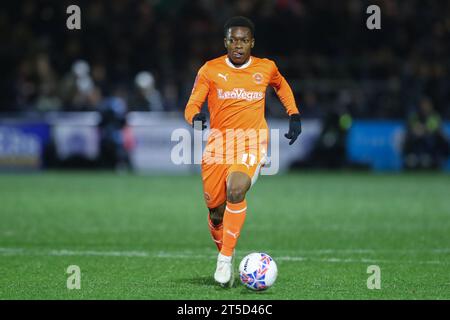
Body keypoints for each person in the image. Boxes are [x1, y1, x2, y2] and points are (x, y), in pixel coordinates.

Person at [184, 16, 302, 287]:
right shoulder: (210, 70)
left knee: (236, 189)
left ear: (252, 43)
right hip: (218, 146)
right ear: (225, 42)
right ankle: (226, 248)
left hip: (252, 141)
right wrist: (196, 118)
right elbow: (192, 105)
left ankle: (224, 260)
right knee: (216, 212)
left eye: (244, 40)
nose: (238, 45)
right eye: (233, 40)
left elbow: (281, 85)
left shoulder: (266, 67)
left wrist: (293, 114)